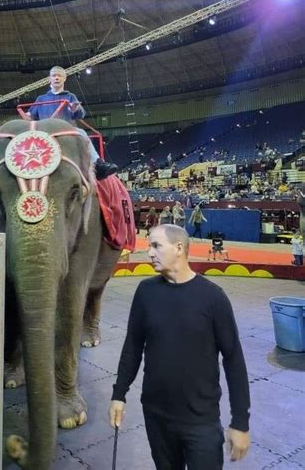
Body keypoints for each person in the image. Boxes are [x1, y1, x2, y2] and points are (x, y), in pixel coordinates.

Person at [109, 225, 250, 469]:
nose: (149, 253)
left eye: (156, 245)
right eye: (149, 246)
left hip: (201, 421)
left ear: (179, 248)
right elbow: (132, 346)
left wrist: (240, 422)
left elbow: (233, 360)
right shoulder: (145, 292)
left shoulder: (213, 298)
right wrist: (119, 394)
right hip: (156, 416)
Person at [27, 65, 117, 179]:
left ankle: (98, 163)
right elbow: (31, 115)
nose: (56, 78)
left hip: (65, 130)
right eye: (54, 75)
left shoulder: (70, 96)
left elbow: (81, 114)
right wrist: (27, 116)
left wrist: (75, 109)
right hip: (45, 132)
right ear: (49, 79)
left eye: (59, 75)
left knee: (82, 132)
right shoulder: (41, 99)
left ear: (64, 78)